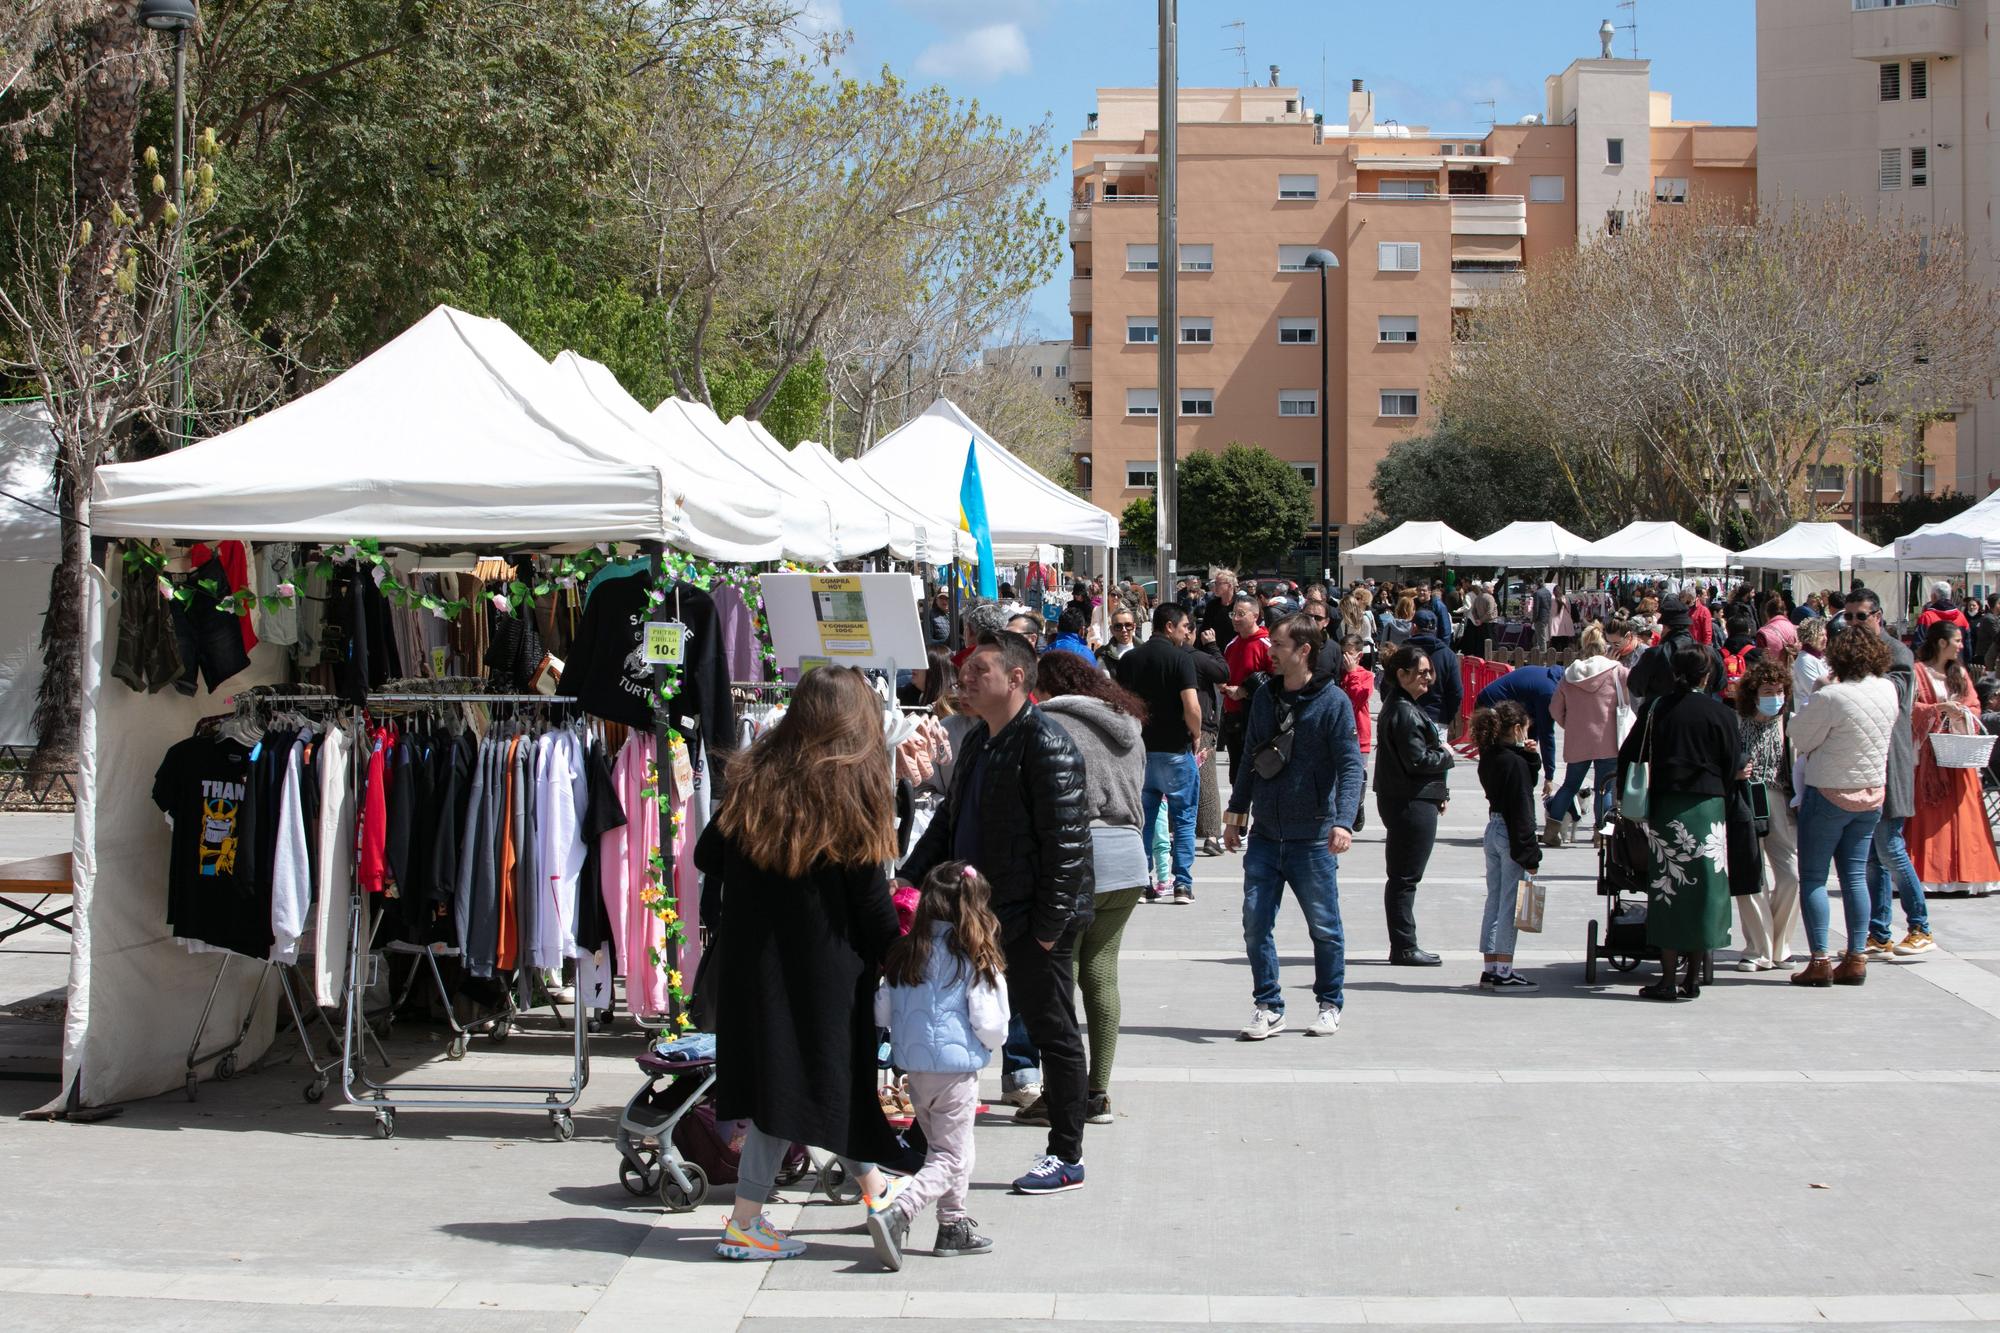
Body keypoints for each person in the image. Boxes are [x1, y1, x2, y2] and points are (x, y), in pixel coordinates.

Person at [700, 666, 907, 1261]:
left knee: (784, 1087)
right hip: (825, 968)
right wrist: (897, 952)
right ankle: (871, 1194)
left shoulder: (754, 776)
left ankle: (858, 1194)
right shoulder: (853, 786)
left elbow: (707, 853)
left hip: (755, 961)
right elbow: (870, 900)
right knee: (814, 1083)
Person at [902, 632, 1093, 1194]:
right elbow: (947, 824)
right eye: (964, 670)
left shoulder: (1046, 744)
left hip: (1032, 920)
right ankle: (921, 1139)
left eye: (978, 671)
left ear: (1015, 678)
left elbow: (1066, 847)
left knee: (1053, 1029)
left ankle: (1066, 1154)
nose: (964, 679)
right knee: (958, 1025)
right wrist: (907, 878)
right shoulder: (980, 742)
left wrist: (1047, 931)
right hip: (982, 913)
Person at [1225, 613, 1365, 1038]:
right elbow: (1250, 756)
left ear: (1304, 651)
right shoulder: (1265, 696)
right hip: (1266, 834)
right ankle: (1268, 1004)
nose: (1271, 651)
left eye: (1280, 645)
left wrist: (1343, 822)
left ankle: (1329, 1002)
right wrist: (1236, 815)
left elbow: (1350, 766)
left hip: (1313, 837)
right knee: (1254, 921)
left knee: (1324, 926)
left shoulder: (1333, 702)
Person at [869, 861, 1009, 1268]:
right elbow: (990, 1022)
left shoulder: (905, 954)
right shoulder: (974, 958)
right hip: (956, 1070)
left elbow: (882, 1010)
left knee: (947, 1149)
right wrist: (990, 1045)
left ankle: (953, 1224)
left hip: (915, 1070)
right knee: (951, 1157)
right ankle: (900, 1211)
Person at [1036, 651, 1149, 1124]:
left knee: (1057, 980)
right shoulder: (1129, 725)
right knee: (1101, 974)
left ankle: (1060, 1093)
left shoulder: (1048, 723)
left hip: (1075, 857)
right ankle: (1098, 1091)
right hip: (1128, 856)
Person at [1616, 644, 1743, 1002]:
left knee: (1668, 889)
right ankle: (1693, 977)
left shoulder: (1657, 709)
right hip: (1709, 807)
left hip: (1667, 808)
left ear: (1675, 673)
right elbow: (1732, 764)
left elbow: (1629, 754)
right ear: (1707, 675)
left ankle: (1667, 979)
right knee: (1706, 890)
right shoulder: (1721, 714)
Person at [1786, 622, 1897, 988]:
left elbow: (1799, 734)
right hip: (1870, 794)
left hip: (1828, 792)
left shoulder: (1831, 696)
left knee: (1815, 877)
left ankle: (1819, 959)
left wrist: (1817, 691)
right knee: (1854, 876)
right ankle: (1856, 956)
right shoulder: (1888, 689)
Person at [1842, 588, 1929, 961]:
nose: (1854, 624)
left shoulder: (1898, 653)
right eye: (1848, 617)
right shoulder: (1852, 652)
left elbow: (1896, 694)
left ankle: (1920, 925)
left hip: (1891, 760)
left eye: (1861, 616)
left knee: (1891, 847)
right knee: (1873, 857)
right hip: (1866, 760)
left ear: (1878, 616)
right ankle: (1880, 932)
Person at [1903, 620, 2000, 908]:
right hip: (1929, 755)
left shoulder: (1959, 672)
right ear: (1942, 643)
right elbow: (1909, 708)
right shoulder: (1918, 671)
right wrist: (1937, 709)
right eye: (1957, 640)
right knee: (1929, 815)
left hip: (1959, 755)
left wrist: (1961, 713)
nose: (1961, 645)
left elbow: (1974, 706)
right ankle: (1928, 874)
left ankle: (1966, 875)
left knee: (1964, 813)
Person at [1113, 604, 1204, 905]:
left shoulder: (1129, 659)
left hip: (1140, 750)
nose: (1187, 632)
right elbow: (1191, 706)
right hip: (1176, 750)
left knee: (1144, 820)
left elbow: (1119, 705)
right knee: (1184, 819)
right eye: (1184, 627)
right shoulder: (1181, 660)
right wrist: (1196, 734)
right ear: (1169, 626)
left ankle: (1141, 882)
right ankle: (1183, 885)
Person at [1374, 644, 1454, 966]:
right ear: (1401, 674)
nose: (1428, 679)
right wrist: (1446, 755)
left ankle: (1404, 944)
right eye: (1421, 673)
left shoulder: (1403, 706)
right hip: (1409, 800)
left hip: (1410, 798)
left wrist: (1439, 792)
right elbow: (1418, 760)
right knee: (1405, 878)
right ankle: (1404, 945)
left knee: (1403, 877)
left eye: (1429, 673)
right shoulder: (1404, 711)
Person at [1732, 659, 1802, 972]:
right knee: (1750, 874)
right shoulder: (1735, 721)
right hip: (1746, 798)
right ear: (1753, 692)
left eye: (1779, 690)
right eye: (1767, 690)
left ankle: (1779, 944)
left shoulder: (1789, 722)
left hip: (1778, 799)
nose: (1775, 696)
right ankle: (1757, 948)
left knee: (1791, 874)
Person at [1472, 701, 1543, 992]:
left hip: (1493, 828)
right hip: (1511, 832)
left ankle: (1491, 967)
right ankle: (1505, 970)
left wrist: (1531, 758)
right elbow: (1522, 808)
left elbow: (1525, 779)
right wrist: (1530, 853)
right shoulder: (1513, 763)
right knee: (1510, 905)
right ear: (1516, 729)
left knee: (1495, 899)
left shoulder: (1491, 756)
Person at [1547, 624, 1629, 844]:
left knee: (1570, 785)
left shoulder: (1569, 674)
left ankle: (1551, 830)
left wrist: (1570, 725)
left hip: (1577, 739)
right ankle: (1602, 834)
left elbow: (1554, 709)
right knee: (1605, 789)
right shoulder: (1617, 670)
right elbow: (1631, 700)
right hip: (1608, 739)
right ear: (1605, 647)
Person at [1473, 662, 1561, 804]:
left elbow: (1536, 725)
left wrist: (1529, 753)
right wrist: (1549, 776)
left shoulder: (1550, 679)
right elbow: (1547, 735)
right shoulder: (1548, 692)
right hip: (1492, 706)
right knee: (1498, 761)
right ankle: (1498, 798)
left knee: (1516, 759)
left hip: (1504, 706)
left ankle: (1508, 796)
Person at [1630, 598, 1723, 702]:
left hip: (1664, 713)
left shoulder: (1655, 654)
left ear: (1665, 627)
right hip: (1700, 711)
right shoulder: (1710, 653)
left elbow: (1635, 687)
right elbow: (1720, 684)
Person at [1221, 594, 1272, 777]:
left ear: (1255, 616)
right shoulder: (1231, 645)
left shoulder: (1267, 644)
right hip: (1232, 718)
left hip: (1256, 718)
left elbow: (1277, 681)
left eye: (1241, 614)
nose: (1235, 619)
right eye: (1233, 613)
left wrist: (1245, 691)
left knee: (1256, 773)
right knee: (1236, 774)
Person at [1405, 608, 1463, 734]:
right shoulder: (1448, 655)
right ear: (1435, 629)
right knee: (1435, 754)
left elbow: (1388, 685)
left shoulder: (1403, 652)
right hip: (1437, 717)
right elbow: (1456, 692)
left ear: (1414, 627)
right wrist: (1447, 716)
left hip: (1406, 716)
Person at [1338, 636, 1374, 756]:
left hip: (1359, 738)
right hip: (1339, 735)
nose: (1345, 657)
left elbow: (1359, 699)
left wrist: (1352, 673)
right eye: (1343, 653)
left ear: (1359, 656)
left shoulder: (1367, 676)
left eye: (1349, 654)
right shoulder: (1337, 674)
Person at [1198, 567, 1239, 654]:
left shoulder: (1241, 604)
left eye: (1218, 583)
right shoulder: (1212, 605)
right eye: (1215, 583)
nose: (1215, 586)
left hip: (1236, 652)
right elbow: (1205, 628)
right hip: (1214, 652)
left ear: (1230, 585)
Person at [1793, 616, 1830, 700]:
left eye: (1825, 635)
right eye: (1821, 635)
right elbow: (1816, 692)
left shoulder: (1822, 657)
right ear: (1810, 637)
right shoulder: (1804, 661)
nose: (1825, 639)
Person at [1754, 594, 1798, 660]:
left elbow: (1761, 660)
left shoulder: (1763, 633)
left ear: (1766, 613)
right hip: (1793, 668)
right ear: (1785, 612)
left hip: (1773, 669)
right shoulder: (1796, 630)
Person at [1528, 578, 1554, 652]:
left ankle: (1542, 654)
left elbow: (1536, 608)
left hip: (1539, 618)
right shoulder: (1548, 592)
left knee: (1541, 638)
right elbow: (1549, 605)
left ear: (1537, 584)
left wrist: (1533, 619)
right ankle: (1536, 651)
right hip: (1546, 617)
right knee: (1537, 636)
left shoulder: (1537, 593)